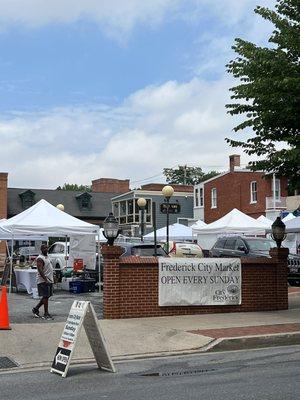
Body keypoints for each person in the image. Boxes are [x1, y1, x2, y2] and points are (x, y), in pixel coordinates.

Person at [32, 244, 54, 320]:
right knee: (45, 296)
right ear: (41, 249)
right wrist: (45, 279)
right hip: (43, 280)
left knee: (47, 296)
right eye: (44, 248)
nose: (46, 249)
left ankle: (36, 308)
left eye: (47, 248)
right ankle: (46, 313)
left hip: (49, 279)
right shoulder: (40, 258)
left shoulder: (47, 257)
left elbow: (49, 267)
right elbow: (40, 270)